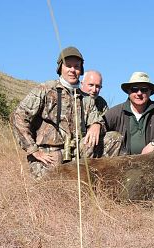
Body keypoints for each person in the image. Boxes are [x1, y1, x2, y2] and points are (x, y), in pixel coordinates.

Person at [11, 46, 104, 178]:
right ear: (60, 67)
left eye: (76, 66)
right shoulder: (45, 89)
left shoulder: (86, 98)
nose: (72, 70)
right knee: (51, 189)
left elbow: (97, 118)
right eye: (68, 65)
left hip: (78, 151)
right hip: (49, 154)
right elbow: (19, 116)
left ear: (81, 70)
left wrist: (96, 124)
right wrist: (33, 150)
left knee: (111, 139)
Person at [103, 71, 154, 155]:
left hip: (150, 161)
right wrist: (96, 125)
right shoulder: (116, 111)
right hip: (121, 162)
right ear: (128, 92)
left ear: (150, 92)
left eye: (144, 89)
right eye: (134, 89)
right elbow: (102, 124)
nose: (139, 93)